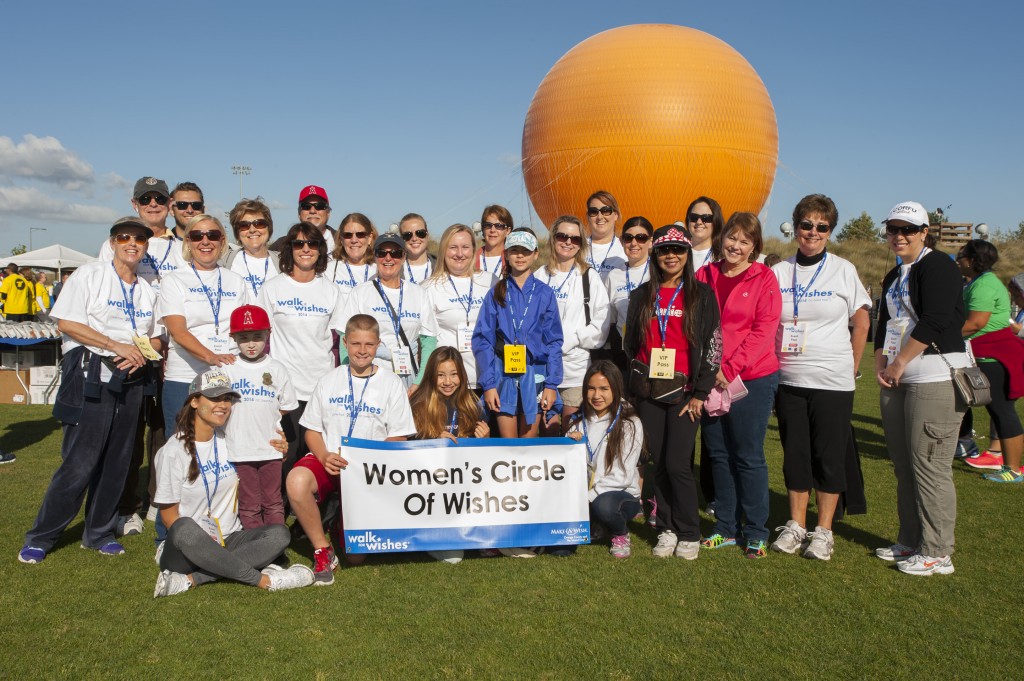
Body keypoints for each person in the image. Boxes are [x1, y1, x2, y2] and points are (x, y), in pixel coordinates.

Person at [18, 216, 163, 563]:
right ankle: (42, 536)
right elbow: (68, 322)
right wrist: (115, 345)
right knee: (80, 462)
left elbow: (158, 336)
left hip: (132, 376)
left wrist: (139, 353)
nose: (132, 243)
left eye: (139, 239)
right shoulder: (90, 275)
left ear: (145, 246)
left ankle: (97, 532)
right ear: (112, 242)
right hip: (90, 374)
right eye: (124, 237)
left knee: (118, 460)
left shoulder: (147, 288)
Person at [769, 194, 871, 560]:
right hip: (790, 380)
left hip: (832, 381)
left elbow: (861, 320)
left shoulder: (843, 269)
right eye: (806, 224)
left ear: (830, 231)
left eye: (821, 226)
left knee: (828, 458)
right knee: (795, 456)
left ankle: (823, 531)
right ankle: (795, 526)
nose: (813, 232)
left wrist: (854, 364)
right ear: (796, 227)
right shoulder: (779, 272)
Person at [152, 369, 314, 597]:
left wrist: (280, 450)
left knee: (280, 534)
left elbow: (263, 463)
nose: (223, 405)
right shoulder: (173, 451)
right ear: (195, 401)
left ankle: (191, 580)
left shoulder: (231, 439)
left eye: (227, 399)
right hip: (189, 547)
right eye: (214, 398)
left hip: (230, 537)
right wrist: (203, 543)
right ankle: (264, 580)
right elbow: (169, 517)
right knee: (184, 527)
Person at [875, 200, 969, 576]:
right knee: (904, 465)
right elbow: (885, 321)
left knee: (930, 466)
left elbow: (936, 319)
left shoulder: (938, 266)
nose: (899, 236)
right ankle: (910, 541)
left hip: (934, 376)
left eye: (907, 230)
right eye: (893, 229)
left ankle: (937, 551)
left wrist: (899, 362)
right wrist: (882, 358)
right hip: (900, 377)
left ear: (924, 232)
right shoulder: (895, 274)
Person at [287, 314, 416, 584]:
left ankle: (336, 523)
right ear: (344, 343)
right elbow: (311, 429)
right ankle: (323, 550)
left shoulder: (391, 383)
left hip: (366, 472)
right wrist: (322, 455)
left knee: (357, 557)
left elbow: (399, 437)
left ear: (378, 344)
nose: (362, 351)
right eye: (355, 343)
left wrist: (366, 462)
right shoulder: (329, 380)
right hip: (329, 460)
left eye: (369, 344)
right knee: (296, 481)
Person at [624, 225, 721, 559]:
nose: (671, 256)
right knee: (659, 463)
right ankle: (666, 528)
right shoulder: (641, 295)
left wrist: (700, 393)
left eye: (678, 250)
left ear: (687, 255)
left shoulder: (702, 295)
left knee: (679, 464)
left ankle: (690, 531)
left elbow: (712, 346)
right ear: (655, 255)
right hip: (648, 390)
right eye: (665, 250)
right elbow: (630, 344)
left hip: (685, 393)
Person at [696, 212, 781, 559]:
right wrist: (708, 370)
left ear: (755, 247)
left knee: (747, 455)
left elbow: (764, 330)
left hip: (752, 378)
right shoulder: (705, 274)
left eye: (745, 241)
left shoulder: (764, 278)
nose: (736, 245)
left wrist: (728, 368)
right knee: (717, 454)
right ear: (722, 238)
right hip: (710, 378)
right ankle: (725, 528)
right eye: (732, 237)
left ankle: (757, 531)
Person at [257, 222, 346, 487]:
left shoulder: (330, 290)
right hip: (286, 390)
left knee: (317, 456)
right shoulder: (272, 288)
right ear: (290, 249)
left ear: (321, 250)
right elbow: (262, 339)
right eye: (299, 243)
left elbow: (338, 342)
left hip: (321, 386)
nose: (305, 249)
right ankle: (281, 512)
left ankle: (314, 509)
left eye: (312, 244)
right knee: (285, 454)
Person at [157, 215, 250, 431]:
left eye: (213, 235)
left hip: (226, 376)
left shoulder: (235, 280)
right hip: (185, 377)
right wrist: (211, 356)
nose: (205, 241)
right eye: (198, 236)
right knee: (182, 450)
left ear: (222, 241)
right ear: (188, 242)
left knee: (226, 449)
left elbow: (244, 330)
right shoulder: (174, 280)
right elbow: (178, 331)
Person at [473, 228, 563, 438]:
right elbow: (482, 339)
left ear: (535, 254)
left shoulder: (545, 293)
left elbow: (554, 341)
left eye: (525, 251)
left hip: (536, 376)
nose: (520, 256)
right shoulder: (496, 291)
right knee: (509, 446)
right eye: (514, 251)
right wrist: (488, 384)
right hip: (503, 377)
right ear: (506, 253)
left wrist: (551, 384)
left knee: (528, 446)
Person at [409, 346, 490, 564]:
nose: (448, 381)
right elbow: (404, 454)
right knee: (454, 557)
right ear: (431, 376)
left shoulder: (472, 403)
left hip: (462, 486)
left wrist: (484, 440)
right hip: (428, 489)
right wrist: (430, 441)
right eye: (441, 375)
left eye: (454, 374)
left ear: (462, 376)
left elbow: (481, 460)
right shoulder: (417, 403)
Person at [223, 305, 298, 528]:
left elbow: (285, 406)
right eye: (244, 338)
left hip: (270, 448)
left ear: (268, 334)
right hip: (239, 449)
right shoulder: (228, 367)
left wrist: (267, 421)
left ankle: (276, 545)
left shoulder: (277, 368)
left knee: (273, 501)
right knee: (249, 504)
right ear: (233, 337)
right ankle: (256, 547)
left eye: (257, 336)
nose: (251, 343)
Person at [956, 239, 1024, 483]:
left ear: (973, 260)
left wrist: (941, 336)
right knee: (999, 411)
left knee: (1002, 411)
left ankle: (1014, 469)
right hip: (989, 353)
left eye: (961, 255)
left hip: (995, 356)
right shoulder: (979, 282)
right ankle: (1009, 464)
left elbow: (976, 323)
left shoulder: (984, 285)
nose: (957, 259)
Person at [341, 232, 439, 392]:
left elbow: (428, 342)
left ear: (404, 256)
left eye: (395, 253)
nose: (388, 258)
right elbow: (344, 338)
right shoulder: (360, 292)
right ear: (374, 256)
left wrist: (419, 382)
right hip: (367, 378)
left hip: (408, 380)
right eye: (382, 253)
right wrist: (349, 379)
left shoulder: (418, 293)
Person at [539, 215, 610, 433]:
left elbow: (602, 323)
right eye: (562, 236)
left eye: (575, 238)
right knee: (547, 432)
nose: (568, 242)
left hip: (576, 370)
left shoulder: (589, 277)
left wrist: (572, 339)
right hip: (542, 369)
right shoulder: (539, 275)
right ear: (553, 238)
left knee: (573, 433)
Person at [565, 361, 644, 558]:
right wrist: (569, 443)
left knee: (605, 506)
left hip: (619, 494)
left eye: (604, 389)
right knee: (561, 549)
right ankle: (596, 525)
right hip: (587, 494)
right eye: (591, 389)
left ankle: (620, 534)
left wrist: (587, 499)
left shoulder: (629, 422)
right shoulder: (578, 421)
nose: (596, 395)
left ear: (615, 389)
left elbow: (622, 476)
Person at [422, 224, 496, 391]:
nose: (460, 254)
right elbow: (425, 342)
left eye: (465, 247)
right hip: (448, 385)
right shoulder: (429, 287)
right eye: (453, 247)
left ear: (473, 250)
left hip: (487, 380)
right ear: (443, 250)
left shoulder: (491, 282)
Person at [100, 177, 183, 291]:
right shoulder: (115, 245)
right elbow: (105, 284)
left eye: (160, 199)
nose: (153, 204)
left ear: (169, 203)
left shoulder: (184, 248)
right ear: (135, 204)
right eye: (145, 199)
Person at [605, 216, 653, 371]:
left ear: (650, 241)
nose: (634, 243)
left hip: (652, 349)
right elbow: (611, 318)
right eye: (628, 238)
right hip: (623, 351)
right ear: (621, 241)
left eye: (641, 238)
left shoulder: (659, 272)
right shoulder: (614, 275)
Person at [224, 198, 280, 298]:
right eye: (244, 225)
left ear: (269, 227)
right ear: (237, 232)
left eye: (259, 224)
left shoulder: (284, 263)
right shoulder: (224, 263)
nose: (252, 230)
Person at [272, 185, 336, 252]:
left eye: (319, 206)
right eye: (306, 206)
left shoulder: (343, 241)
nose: (312, 211)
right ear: (299, 213)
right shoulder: (280, 246)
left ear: (328, 213)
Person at [327, 213, 378, 296]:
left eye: (360, 234)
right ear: (341, 239)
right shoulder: (329, 270)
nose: (354, 240)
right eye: (348, 235)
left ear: (370, 238)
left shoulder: (378, 272)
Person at [585, 190, 626, 281]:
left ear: (615, 215)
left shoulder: (625, 249)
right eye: (593, 211)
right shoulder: (577, 247)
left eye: (606, 210)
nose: (600, 217)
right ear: (588, 216)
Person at [686, 196, 724, 271]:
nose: (699, 222)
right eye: (694, 217)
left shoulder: (723, 257)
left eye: (706, 218)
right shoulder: (678, 252)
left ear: (716, 221)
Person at [475, 205, 512, 278]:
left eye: (499, 226)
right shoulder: (470, 260)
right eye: (488, 225)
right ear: (483, 229)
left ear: (508, 231)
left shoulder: (513, 261)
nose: (492, 230)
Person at [398, 213, 436, 283]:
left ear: (427, 236)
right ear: (401, 239)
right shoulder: (394, 269)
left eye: (420, 233)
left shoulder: (443, 267)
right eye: (407, 235)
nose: (414, 239)